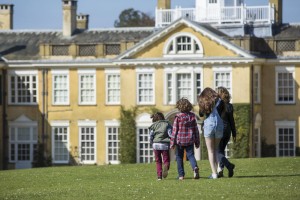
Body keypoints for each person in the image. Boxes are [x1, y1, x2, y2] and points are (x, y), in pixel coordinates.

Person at [170, 98, 200, 180]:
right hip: (190, 140)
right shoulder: (192, 116)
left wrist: (172, 143)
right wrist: (197, 142)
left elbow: (174, 131)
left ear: (179, 107)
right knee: (191, 155)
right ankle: (194, 167)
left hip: (180, 141)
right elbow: (196, 130)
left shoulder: (178, 117)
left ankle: (181, 175)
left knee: (179, 157)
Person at [198, 87, 225, 179]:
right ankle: (219, 168)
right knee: (216, 149)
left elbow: (201, 114)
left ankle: (214, 174)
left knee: (210, 150)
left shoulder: (204, 102)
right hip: (219, 125)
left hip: (209, 125)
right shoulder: (220, 101)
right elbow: (222, 112)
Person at [216, 86, 236, 178]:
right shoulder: (230, 105)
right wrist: (234, 132)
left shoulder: (219, 104)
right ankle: (220, 170)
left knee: (217, 151)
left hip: (220, 130)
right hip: (227, 131)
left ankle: (229, 166)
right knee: (221, 151)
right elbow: (232, 120)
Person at [149, 112, 172, 180]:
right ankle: (166, 166)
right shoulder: (167, 124)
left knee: (158, 161)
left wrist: (151, 143)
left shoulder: (153, 125)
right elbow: (170, 134)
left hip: (155, 144)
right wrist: (172, 141)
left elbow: (150, 136)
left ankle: (159, 176)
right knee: (166, 160)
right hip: (164, 144)